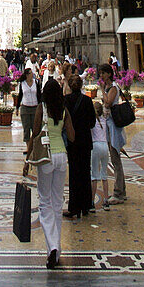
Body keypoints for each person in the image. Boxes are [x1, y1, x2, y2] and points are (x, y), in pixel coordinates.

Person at [24, 77, 75, 269]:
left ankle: (53, 247)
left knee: (45, 202)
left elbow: (34, 133)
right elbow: (72, 136)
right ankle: (56, 248)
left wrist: (27, 159)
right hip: (62, 156)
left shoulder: (41, 109)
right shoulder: (63, 110)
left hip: (46, 158)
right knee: (57, 202)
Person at [64, 71, 95, 219]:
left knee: (74, 173)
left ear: (70, 86)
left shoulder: (66, 100)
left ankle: (74, 207)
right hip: (85, 141)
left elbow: (63, 122)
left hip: (72, 141)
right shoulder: (88, 101)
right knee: (85, 171)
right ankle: (86, 206)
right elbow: (92, 122)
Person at [98, 63, 126, 204]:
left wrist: (102, 91)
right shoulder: (110, 87)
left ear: (109, 74)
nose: (101, 76)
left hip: (114, 126)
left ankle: (118, 193)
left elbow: (108, 103)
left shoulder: (113, 87)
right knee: (115, 158)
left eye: (103, 73)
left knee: (115, 159)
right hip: (109, 125)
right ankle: (122, 191)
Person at [91, 99, 110, 210]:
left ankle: (92, 202)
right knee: (104, 174)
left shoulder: (92, 121)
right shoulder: (104, 120)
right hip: (104, 146)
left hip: (95, 146)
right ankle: (106, 200)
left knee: (94, 175)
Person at [16, 66, 40, 150]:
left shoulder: (36, 82)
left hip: (35, 108)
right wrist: (17, 107)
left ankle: (34, 147)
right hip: (25, 108)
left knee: (35, 128)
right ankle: (28, 148)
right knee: (26, 128)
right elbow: (20, 95)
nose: (31, 75)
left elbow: (39, 95)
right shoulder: (22, 83)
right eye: (30, 73)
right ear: (26, 75)